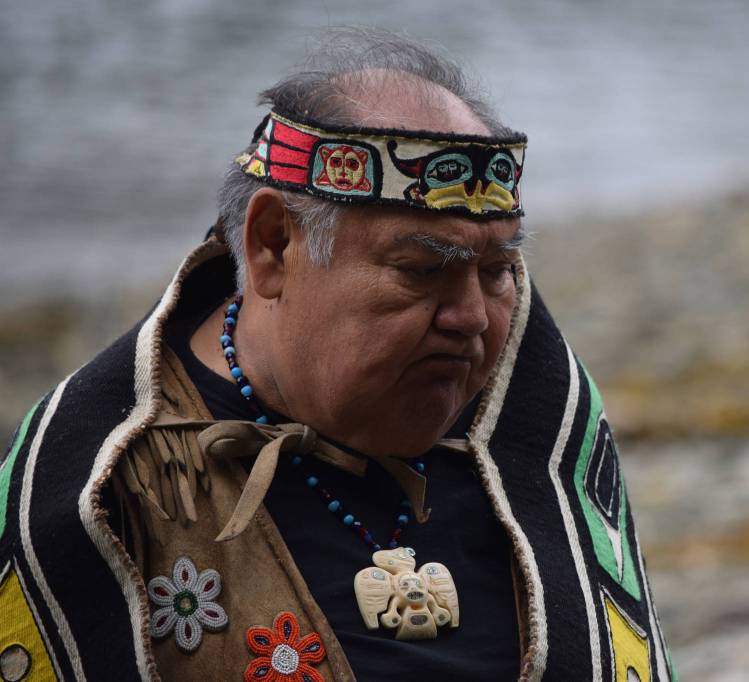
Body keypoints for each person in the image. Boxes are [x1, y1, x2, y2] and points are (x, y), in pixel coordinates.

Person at [0, 29, 674, 681]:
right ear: (273, 247)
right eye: (422, 269)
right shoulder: (95, 491)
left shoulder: (543, 432)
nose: (472, 317)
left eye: (497, 269)